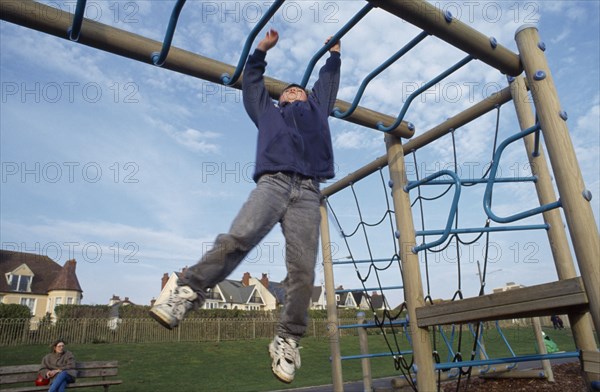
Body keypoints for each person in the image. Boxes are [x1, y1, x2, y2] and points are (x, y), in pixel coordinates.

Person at [149, 28, 341, 384]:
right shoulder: (266, 113)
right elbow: (252, 82)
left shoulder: (317, 110)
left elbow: (326, 86)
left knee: (303, 271)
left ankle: (287, 339)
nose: (295, 91)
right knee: (238, 238)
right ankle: (186, 293)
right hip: (273, 183)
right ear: (280, 100)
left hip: (309, 191)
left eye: (301, 89)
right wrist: (260, 51)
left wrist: (334, 56)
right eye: (288, 90)